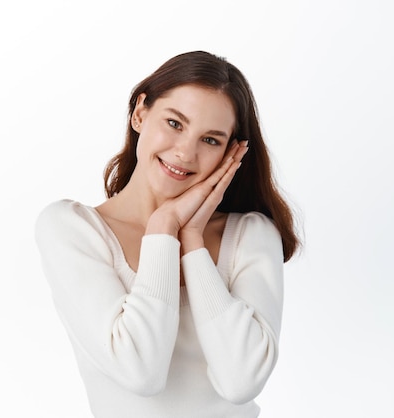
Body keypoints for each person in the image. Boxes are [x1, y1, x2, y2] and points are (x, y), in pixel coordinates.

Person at [34, 51, 300, 418]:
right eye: (175, 123)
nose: (185, 152)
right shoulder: (73, 229)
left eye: (210, 140)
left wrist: (190, 239)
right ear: (140, 113)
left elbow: (241, 382)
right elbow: (140, 371)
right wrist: (163, 228)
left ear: (230, 153)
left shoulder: (250, 236)